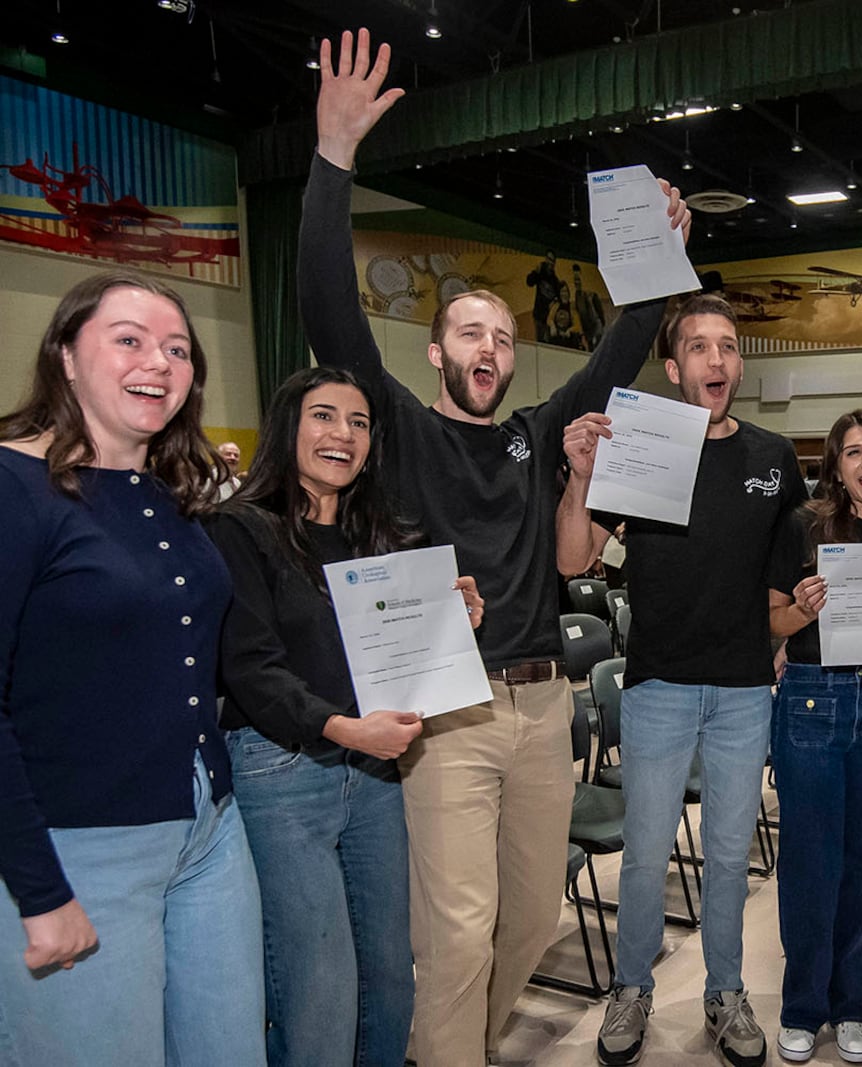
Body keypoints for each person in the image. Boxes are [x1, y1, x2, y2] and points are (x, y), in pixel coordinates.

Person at [299, 29, 690, 1066]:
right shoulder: (398, 428)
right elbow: (327, 309)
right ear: (434, 351)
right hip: (446, 719)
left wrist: (653, 258)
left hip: (542, 703)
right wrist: (333, 156)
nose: (488, 350)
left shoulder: (530, 436)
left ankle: (457, 1048)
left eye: (503, 338)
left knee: (527, 923)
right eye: (470, 334)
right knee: (459, 932)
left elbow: (616, 352)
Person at [0, 271, 266, 1066]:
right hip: (79, 845)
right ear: (66, 355)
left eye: (178, 348)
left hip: (209, 829)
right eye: (129, 339)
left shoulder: (169, 496)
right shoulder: (16, 488)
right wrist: (38, 891)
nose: (158, 360)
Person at [210, 366, 483, 1066]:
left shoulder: (380, 535)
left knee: (392, 973)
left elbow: (396, 662)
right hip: (282, 771)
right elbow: (251, 667)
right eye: (324, 416)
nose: (343, 434)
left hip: (372, 773)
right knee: (319, 983)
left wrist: (453, 625)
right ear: (287, 427)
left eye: (359, 422)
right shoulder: (241, 529)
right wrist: (341, 726)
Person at [577, 293, 804, 1067]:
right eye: (700, 347)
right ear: (673, 368)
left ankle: (726, 989)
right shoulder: (641, 445)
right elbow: (575, 557)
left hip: (744, 688)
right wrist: (581, 474)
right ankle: (632, 987)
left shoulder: (774, 458)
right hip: (658, 685)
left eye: (729, 345)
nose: (717, 359)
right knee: (644, 851)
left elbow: (788, 580)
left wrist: (795, 627)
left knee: (730, 848)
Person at [766, 409, 862, 1065]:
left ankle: (851, 1004)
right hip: (811, 700)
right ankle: (803, 1006)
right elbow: (773, 617)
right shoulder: (804, 525)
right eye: (853, 451)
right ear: (836, 465)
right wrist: (805, 605)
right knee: (810, 864)